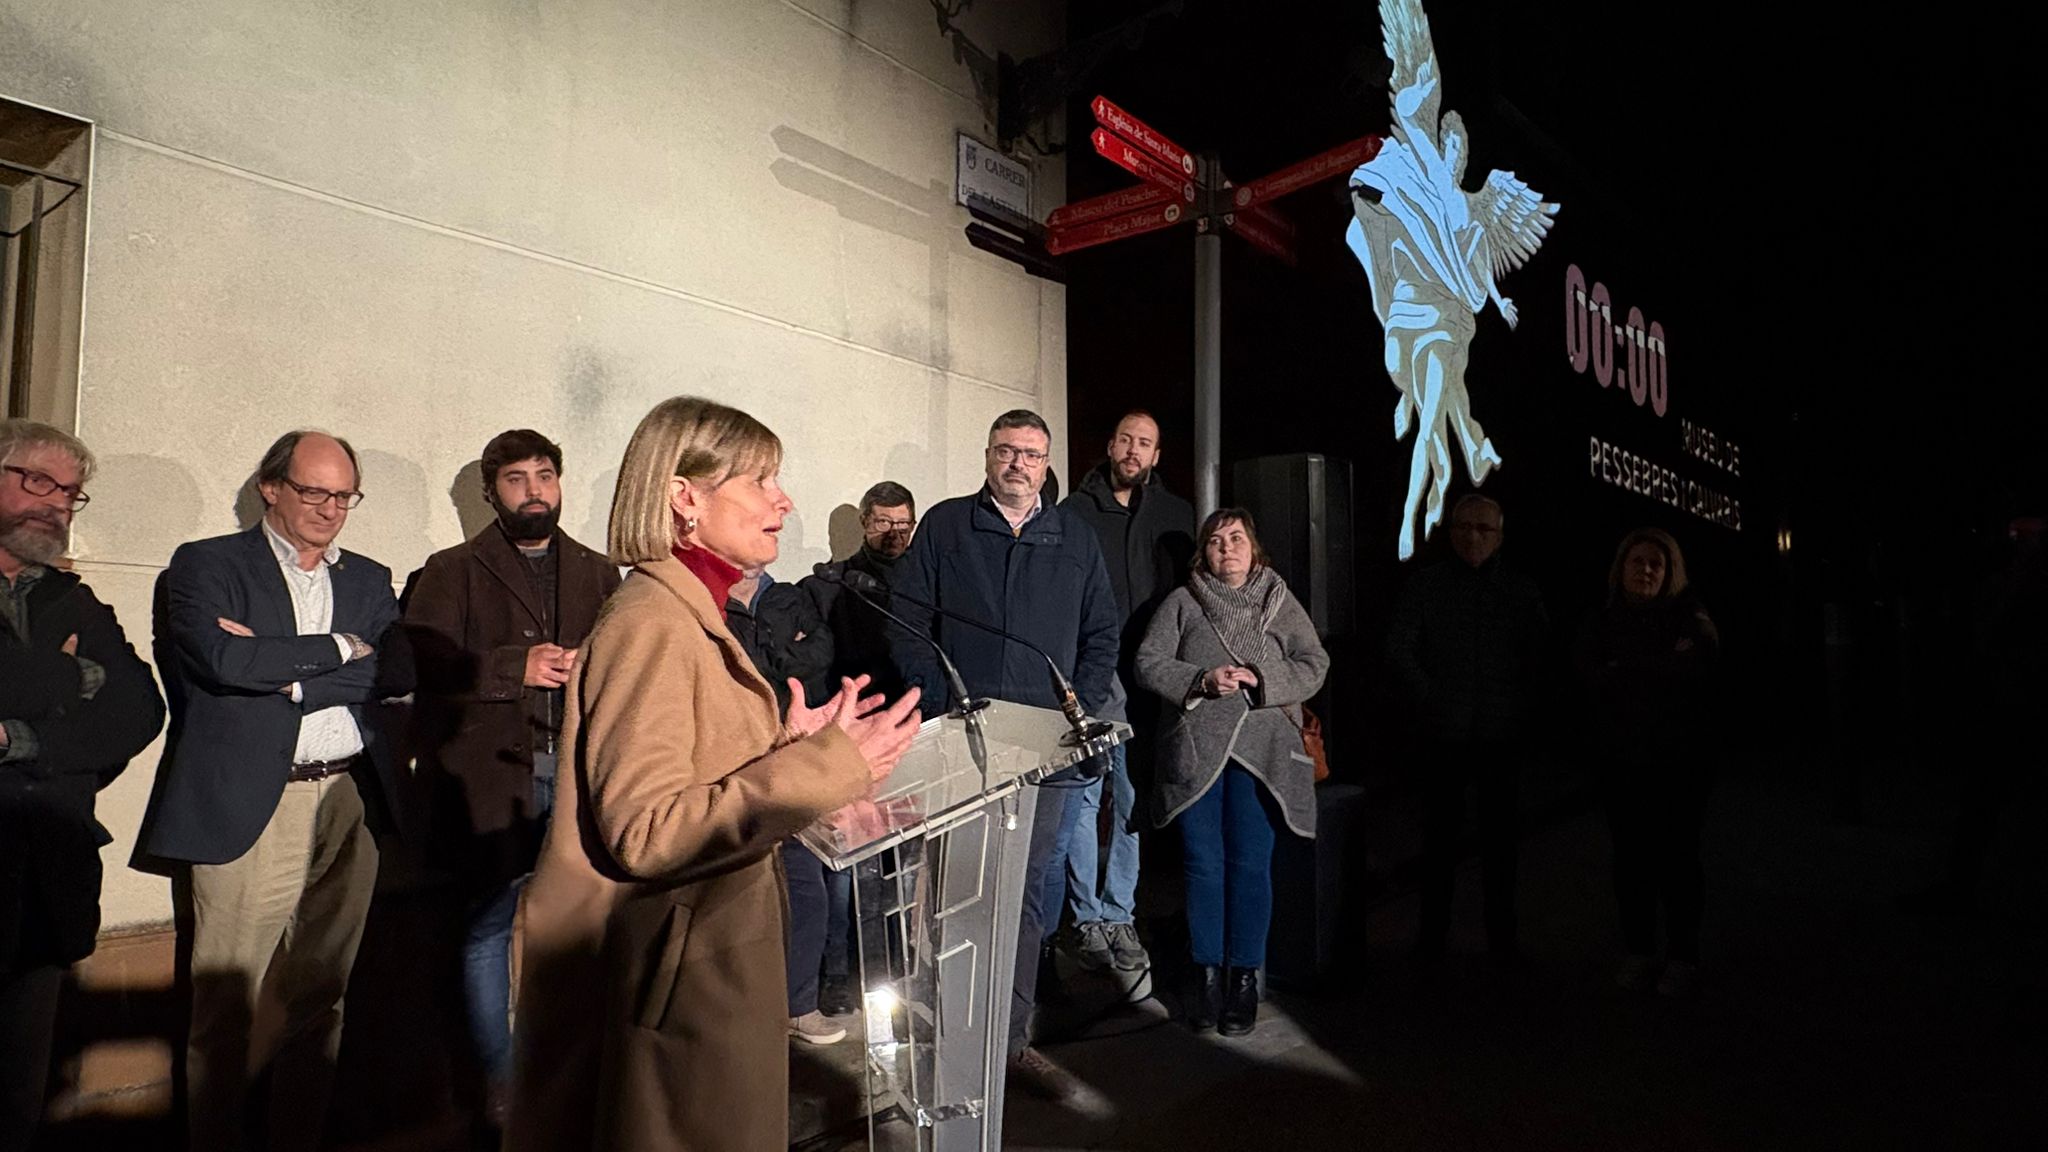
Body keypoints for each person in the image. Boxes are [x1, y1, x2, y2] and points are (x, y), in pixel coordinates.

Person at [507, 396, 920, 1152]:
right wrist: (826, 767)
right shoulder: (652, 622)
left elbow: (694, 770)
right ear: (684, 498)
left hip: (703, 974)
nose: (783, 500)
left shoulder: (692, 610)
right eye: (761, 480)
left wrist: (786, 747)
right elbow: (647, 830)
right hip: (679, 996)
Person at [139, 430, 410, 1152]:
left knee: (321, 999)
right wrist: (337, 650)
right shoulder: (207, 565)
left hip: (349, 800)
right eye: (314, 490)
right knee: (226, 1003)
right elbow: (224, 660)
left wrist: (282, 675)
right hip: (252, 802)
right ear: (271, 488)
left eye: (344, 494)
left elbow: (396, 670)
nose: (330, 508)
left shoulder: (369, 578)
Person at [889, 410, 1121, 1100]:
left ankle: (1008, 1044)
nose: (1018, 464)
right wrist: (939, 705)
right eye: (1006, 451)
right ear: (987, 456)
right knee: (953, 895)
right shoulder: (947, 526)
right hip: (963, 748)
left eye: (1031, 454)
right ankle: (941, 1044)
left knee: (1021, 902)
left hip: (1043, 755)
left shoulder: (1074, 537)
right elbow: (908, 621)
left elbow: (1101, 633)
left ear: (1047, 464)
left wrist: (1074, 711)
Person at [402, 429, 621, 1121]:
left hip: (582, 776)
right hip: (493, 782)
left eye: (546, 475)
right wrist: (511, 669)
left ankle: (570, 1074)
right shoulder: (450, 569)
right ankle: (500, 1088)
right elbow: (418, 667)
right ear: (491, 492)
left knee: (583, 929)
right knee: (486, 930)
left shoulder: (598, 571)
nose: (534, 490)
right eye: (517, 479)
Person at [0, 421, 165, 1152]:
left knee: (16, 1099)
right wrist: (68, 678)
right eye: (37, 480)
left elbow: (140, 708)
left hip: (45, 882)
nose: (56, 503)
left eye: (69, 492)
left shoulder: (74, 602)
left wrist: (21, 736)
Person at [1136, 509, 1329, 1037]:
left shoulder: (1278, 600)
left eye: (1237, 537)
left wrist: (1262, 679)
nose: (1227, 548)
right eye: (1216, 541)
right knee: (1203, 863)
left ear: (1254, 548)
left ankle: (1243, 978)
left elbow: (1315, 663)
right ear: (1205, 553)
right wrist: (1200, 679)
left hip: (1263, 753)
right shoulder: (1183, 602)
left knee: (1250, 863)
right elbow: (1148, 662)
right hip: (1197, 750)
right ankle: (1205, 977)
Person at [1052, 410, 1195, 972]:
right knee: (1087, 799)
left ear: (1157, 456)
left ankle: (1119, 914)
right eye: (1127, 440)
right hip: (1093, 675)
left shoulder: (1176, 515)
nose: (1135, 450)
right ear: (1110, 445)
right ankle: (1086, 919)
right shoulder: (1072, 515)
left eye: (1146, 444)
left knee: (1133, 802)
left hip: (1152, 681)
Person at [1385, 493, 1547, 964]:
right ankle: (1431, 942)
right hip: (1443, 737)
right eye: (1464, 527)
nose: (1473, 537)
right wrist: (1433, 695)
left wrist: (1518, 708)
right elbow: (1399, 647)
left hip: (1501, 738)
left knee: (1501, 849)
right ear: (1450, 531)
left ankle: (1503, 943)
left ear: (1500, 536)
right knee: (1439, 846)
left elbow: (1539, 659)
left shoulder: (1521, 591)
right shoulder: (1427, 587)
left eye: (1484, 529)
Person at [1575, 526, 1719, 998]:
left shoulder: (1691, 617)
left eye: (1656, 564)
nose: (1646, 570)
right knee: (1631, 863)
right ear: (1621, 567)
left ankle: (1683, 956)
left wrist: (1627, 668)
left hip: (1679, 769)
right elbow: (1590, 680)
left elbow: (1699, 671)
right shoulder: (1602, 621)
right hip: (1622, 767)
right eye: (1638, 562)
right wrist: (1659, 665)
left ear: (1670, 570)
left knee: (1679, 863)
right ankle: (1639, 951)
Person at [798, 481, 919, 1019]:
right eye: (882, 523)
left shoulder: (927, 581)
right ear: (863, 525)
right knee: (846, 866)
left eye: (903, 523)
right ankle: (838, 975)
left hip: (914, 733)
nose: (894, 534)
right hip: (853, 736)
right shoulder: (829, 586)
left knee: (903, 863)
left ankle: (896, 966)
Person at [722, 562, 847, 1045]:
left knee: (807, 887)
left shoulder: (791, 595)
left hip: (793, 752)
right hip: (734, 759)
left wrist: (776, 658)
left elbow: (819, 653)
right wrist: (784, 652)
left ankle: (800, 1005)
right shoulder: (707, 601)